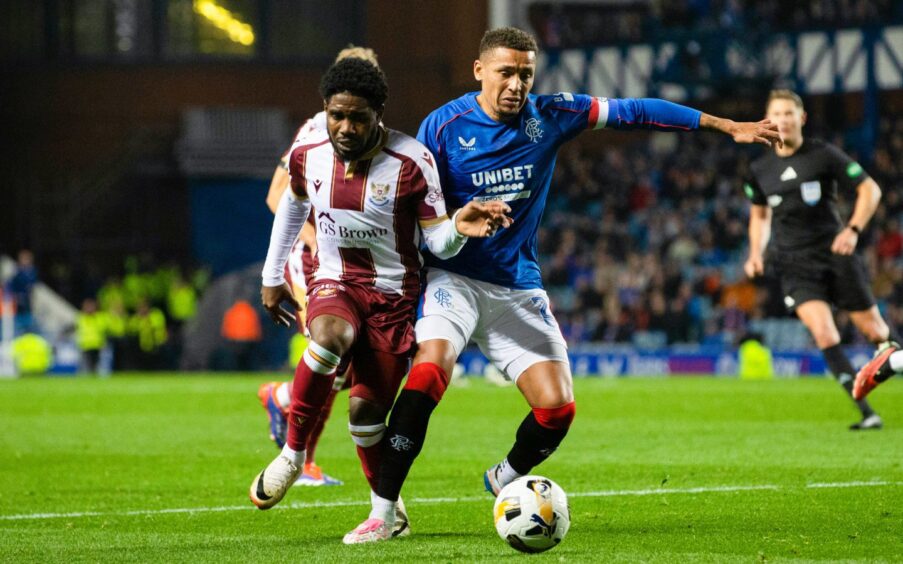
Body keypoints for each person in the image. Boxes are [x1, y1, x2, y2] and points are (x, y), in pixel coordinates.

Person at [344, 26, 783, 544]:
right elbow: (415, 210)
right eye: (506, 72)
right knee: (428, 376)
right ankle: (384, 511)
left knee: (557, 411)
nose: (517, 85)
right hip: (453, 279)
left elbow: (635, 110)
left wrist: (724, 125)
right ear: (479, 70)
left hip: (516, 287)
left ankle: (504, 478)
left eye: (526, 74)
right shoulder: (442, 126)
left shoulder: (552, 114)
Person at [246, 58, 512, 543]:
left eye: (358, 118)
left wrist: (458, 227)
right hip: (335, 282)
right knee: (329, 336)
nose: (345, 128)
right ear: (324, 110)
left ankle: (386, 515)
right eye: (336, 116)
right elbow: (292, 206)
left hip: (392, 298)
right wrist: (271, 276)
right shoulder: (309, 153)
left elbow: (435, 242)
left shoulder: (412, 162)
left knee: (366, 416)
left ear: (379, 113)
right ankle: (293, 454)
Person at [256, 45, 380, 487]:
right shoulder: (315, 131)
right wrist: (313, 238)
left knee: (341, 367)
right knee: (330, 351)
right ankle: (302, 460)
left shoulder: (375, 138)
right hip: (310, 258)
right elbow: (277, 197)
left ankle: (284, 396)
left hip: (347, 262)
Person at [742, 89, 897, 431]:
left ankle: (890, 359)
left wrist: (854, 228)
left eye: (788, 113)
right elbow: (760, 217)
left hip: (835, 255)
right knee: (824, 334)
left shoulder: (823, 155)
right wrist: (755, 253)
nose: (782, 120)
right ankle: (867, 412)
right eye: (776, 114)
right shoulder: (759, 169)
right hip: (794, 265)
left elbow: (870, 190)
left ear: (802, 118)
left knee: (876, 332)